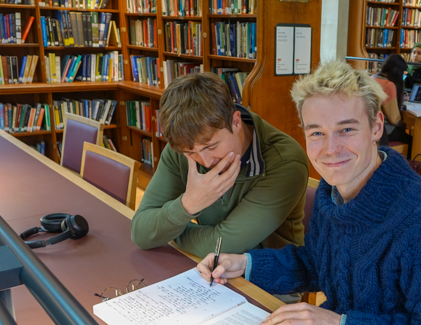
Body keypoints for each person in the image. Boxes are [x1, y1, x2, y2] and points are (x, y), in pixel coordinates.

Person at [197, 61, 421, 325]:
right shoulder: (332, 194)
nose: (330, 148)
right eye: (316, 132)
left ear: (376, 126)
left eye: (346, 130)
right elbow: (319, 264)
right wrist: (246, 264)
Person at [131, 72, 309, 258]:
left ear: (236, 122)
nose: (206, 162)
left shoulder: (285, 161)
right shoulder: (186, 142)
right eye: (191, 153)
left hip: (267, 280)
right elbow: (141, 233)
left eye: (212, 146)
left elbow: (224, 245)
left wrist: (169, 231)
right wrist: (188, 204)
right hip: (210, 270)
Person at [371, 54, 412, 149]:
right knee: (414, 140)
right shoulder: (388, 85)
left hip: (373, 128)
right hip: (386, 131)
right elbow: (394, 119)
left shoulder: (372, 78)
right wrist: (405, 124)